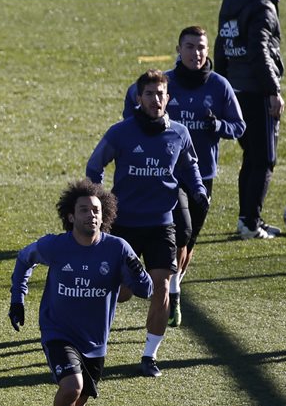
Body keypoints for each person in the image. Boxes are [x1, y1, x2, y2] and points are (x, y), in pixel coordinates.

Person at [9, 179, 152, 406]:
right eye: (84, 210)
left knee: (81, 399)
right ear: (71, 216)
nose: (91, 215)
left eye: (96, 210)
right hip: (57, 331)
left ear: (105, 215)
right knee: (72, 387)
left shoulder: (117, 249)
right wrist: (17, 299)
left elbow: (146, 290)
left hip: (95, 341)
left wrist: (137, 268)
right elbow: (25, 259)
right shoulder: (56, 246)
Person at [87, 69, 207, 378]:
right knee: (122, 291)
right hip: (123, 224)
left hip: (160, 225)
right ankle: (93, 346)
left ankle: (149, 356)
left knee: (162, 287)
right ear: (138, 98)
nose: (156, 99)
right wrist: (98, 201)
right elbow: (95, 164)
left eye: (161, 94)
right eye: (150, 94)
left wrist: (198, 190)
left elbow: (190, 166)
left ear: (169, 98)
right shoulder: (120, 132)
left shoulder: (179, 133)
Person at [123, 26, 244, 326]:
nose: (197, 53)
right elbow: (131, 103)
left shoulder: (219, 86)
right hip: (166, 176)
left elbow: (239, 126)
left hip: (202, 176)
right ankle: (165, 289)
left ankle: (174, 288)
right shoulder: (164, 84)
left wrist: (218, 127)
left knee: (187, 243)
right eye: (190, 47)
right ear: (179, 50)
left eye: (201, 47)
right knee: (178, 232)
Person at [214, 0, 286, 239]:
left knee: (253, 156)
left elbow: (222, 44)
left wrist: (220, 85)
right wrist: (273, 91)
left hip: (235, 90)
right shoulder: (263, 6)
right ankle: (250, 223)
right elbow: (260, 51)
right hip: (256, 92)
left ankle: (247, 219)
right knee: (264, 159)